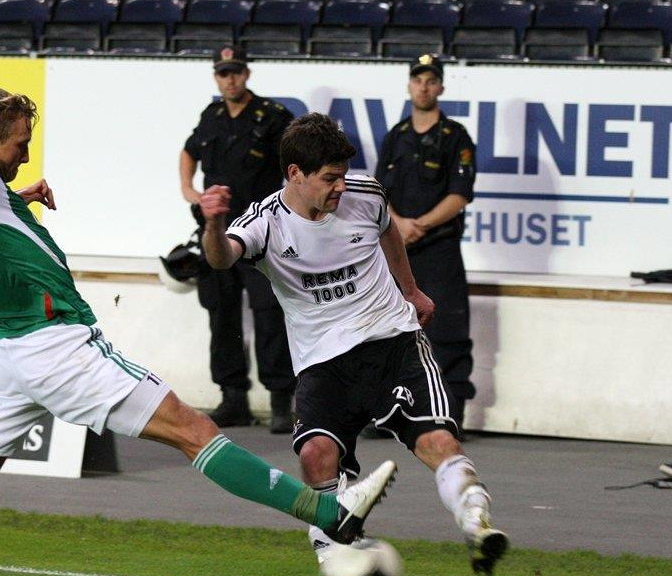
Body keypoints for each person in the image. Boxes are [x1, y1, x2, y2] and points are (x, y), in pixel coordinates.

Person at [0, 87, 398, 576]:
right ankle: (330, 513)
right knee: (192, 429)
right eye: (17, 144)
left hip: (8, 356)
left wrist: (17, 201)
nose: (22, 155)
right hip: (57, 343)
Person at [199, 113, 509, 575]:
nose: (341, 186)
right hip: (324, 361)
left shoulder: (365, 193)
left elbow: (388, 230)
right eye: (329, 178)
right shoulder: (267, 222)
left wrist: (410, 290)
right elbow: (222, 257)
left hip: (392, 340)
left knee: (437, 439)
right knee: (314, 455)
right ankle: (340, 553)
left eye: (343, 174)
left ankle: (477, 524)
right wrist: (213, 224)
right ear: (295, 175)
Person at [178, 44, 297, 434]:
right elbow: (189, 151)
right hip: (216, 228)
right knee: (221, 311)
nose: (229, 79)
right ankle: (233, 399)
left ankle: (282, 401)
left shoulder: (273, 116)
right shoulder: (211, 115)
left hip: (260, 228)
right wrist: (189, 191)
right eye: (222, 72)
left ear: (247, 74)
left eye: (235, 72)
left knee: (269, 313)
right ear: (216, 76)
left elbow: (299, 160)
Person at [374, 54, 477, 436]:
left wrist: (419, 225)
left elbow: (460, 194)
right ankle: (389, 411)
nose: (424, 86)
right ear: (409, 85)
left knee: (448, 331)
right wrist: (398, 224)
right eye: (418, 80)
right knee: (389, 330)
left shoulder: (456, 138)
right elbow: (379, 191)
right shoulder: (396, 136)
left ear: (441, 87)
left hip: (439, 248)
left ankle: (450, 414)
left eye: (431, 80)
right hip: (397, 249)